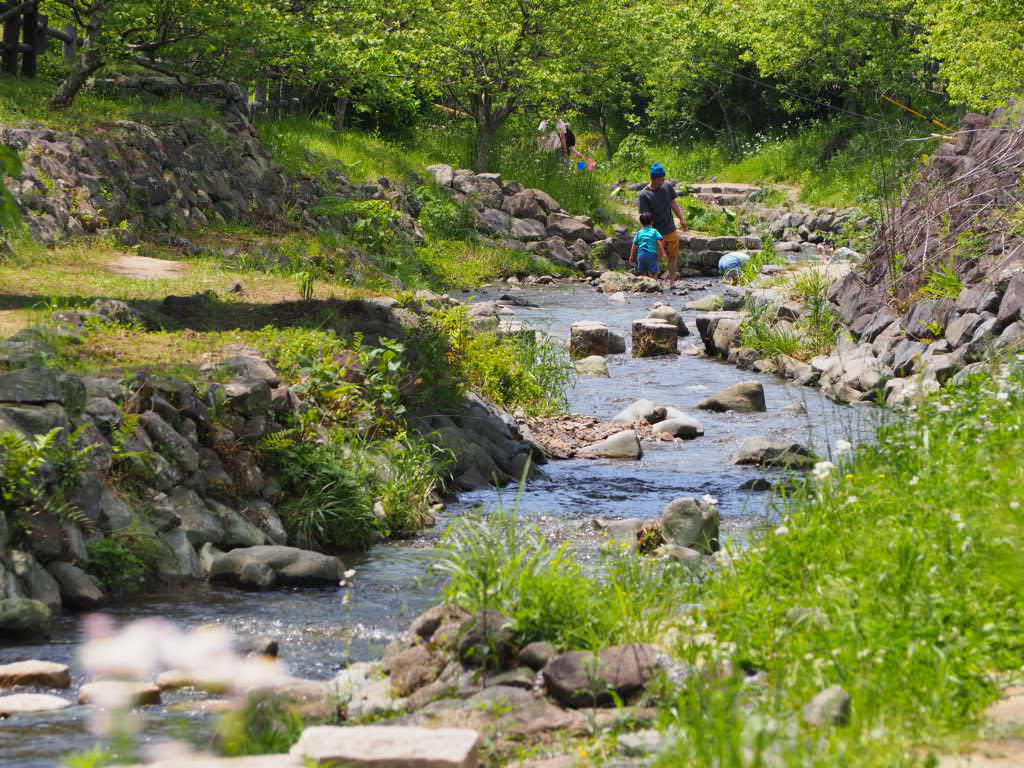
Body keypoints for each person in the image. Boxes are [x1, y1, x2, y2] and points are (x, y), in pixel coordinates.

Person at [637, 163, 688, 284]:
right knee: (655, 257)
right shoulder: (644, 195)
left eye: (663, 179)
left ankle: (672, 283)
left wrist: (681, 219)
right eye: (660, 179)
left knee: (673, 256)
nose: (662, 182)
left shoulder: (667, 186)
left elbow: (673, 203)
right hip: (655, 232)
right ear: (653, 179)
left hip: (670, 228)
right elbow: (645, 216)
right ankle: (652, 283)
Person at [629, 212, 665, 278]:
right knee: (654, 272)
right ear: (652, 222)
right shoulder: (654, 231)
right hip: (651, 254)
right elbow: (660, 241)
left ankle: (645, 282)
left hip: (641, 255)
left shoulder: (639, 232)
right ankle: (654, 282)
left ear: (641, 223)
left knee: (643, 273)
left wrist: (632, 257)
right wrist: (662, 253)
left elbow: (634, 245)